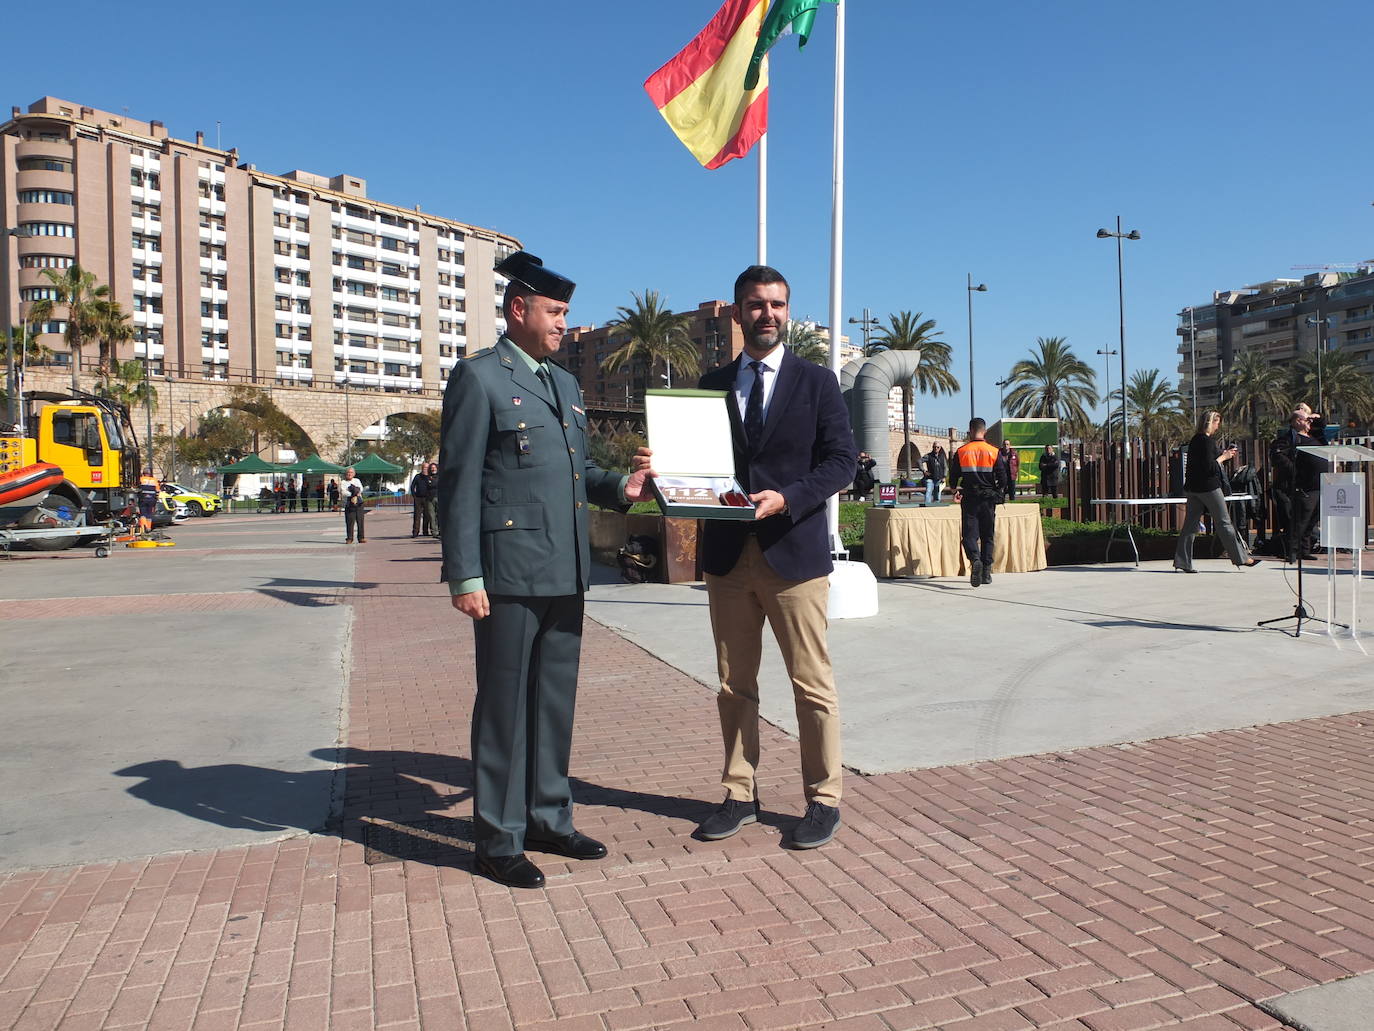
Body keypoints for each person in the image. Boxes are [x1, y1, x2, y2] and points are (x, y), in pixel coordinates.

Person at [438, 250, 652, 889]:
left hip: (566, 566)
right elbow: (459, 482)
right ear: (518, 309)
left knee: (553, 701)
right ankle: (497, 838)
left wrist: (625, 485)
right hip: (507, 572)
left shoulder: (563, 384)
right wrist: (465, 575)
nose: (563, 324)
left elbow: (577, 473)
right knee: (504, 705)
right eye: (555, 312)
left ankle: (547, 817)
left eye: (565, 312)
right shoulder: (478, 379)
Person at [676, 264, 856, 851]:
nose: (767, 315)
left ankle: (823, 799)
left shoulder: (817, 383)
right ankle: (739, 793)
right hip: (728, 559)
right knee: (734, 684)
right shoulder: (709, 385)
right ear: (737, 312)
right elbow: (696, 469)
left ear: (787, 310)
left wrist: (790, 497)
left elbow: (841, 462)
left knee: (812, 684)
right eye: (756, 305)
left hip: (795, 554)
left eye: (777, 305)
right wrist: (669, 472)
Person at [1174, 410, 1261, 573]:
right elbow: (1210, 467)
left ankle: (1182, 561)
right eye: (1216, 423)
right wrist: (1224, 457)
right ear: (1210, 422)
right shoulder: (1207, 441)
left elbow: (1200, 463)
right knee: (1224, 523)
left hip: (1193, 488)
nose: (1217, 426)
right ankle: (1241, 558)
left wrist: (1222, 453)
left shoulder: (1195, 440)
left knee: (1190, 526)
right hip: (1209, 488)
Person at [949, 418, 1011, 587]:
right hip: (988, 499)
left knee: (969, 535)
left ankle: (975, 558)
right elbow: (1003, 477)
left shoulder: (962, 451)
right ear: (984, 432)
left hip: (969, 498)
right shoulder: (993, 451)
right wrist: (998, 492)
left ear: (970, 431)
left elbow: (953, 477)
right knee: (987, 535)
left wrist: (955, 490)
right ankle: (986, 572)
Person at [1269, 408, 1325, 563]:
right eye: (1305, 419)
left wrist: (1315, 418)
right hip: (1305, 486)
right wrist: (1296, 470)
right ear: (1295, 422)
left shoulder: (1314, 436)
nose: (1308, 422)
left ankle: (1304, 549)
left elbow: (1322, 426)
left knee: (1313, 519)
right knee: (1300, 520)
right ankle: (1291, 552)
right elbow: (1277, 455)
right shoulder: (1289, 439)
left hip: (1320, 483)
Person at [341, 467, 366, 544]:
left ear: (354, 474)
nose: (349, 474)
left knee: (360, 521)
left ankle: (361, 537)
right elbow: (343, 492)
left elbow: (361, 489)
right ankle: (349, 538)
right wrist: (354, 493)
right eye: (348, 472)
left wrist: (353, 491)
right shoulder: (343, 482)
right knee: (349, 522)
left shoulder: (357, 480)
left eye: (351, 472)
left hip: (359, 504)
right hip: (349, 505)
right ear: (346, 474)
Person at [410, 464, 435, 537]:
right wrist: (414, 496)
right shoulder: (418, 476)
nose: (425, 469)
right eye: (424, 467)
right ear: (422, 468)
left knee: (427, 515)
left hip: (427, 498)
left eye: (427, 468)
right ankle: (415, 532)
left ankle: (425, 531)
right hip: (418, 498)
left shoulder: (430, 477)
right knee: (417, 515)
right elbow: (412, 486)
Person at [425, 462, 440, 536]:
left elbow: (436, 484)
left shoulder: (440, 476)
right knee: (431, 516)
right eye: (432, 468)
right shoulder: (427, 477)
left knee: (439, 515)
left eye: (434, 468)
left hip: (438, 497)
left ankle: (440, 530)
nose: (433, 469)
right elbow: (427, 485)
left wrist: (432, 483)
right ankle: (434, 532)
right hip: (430, 499)